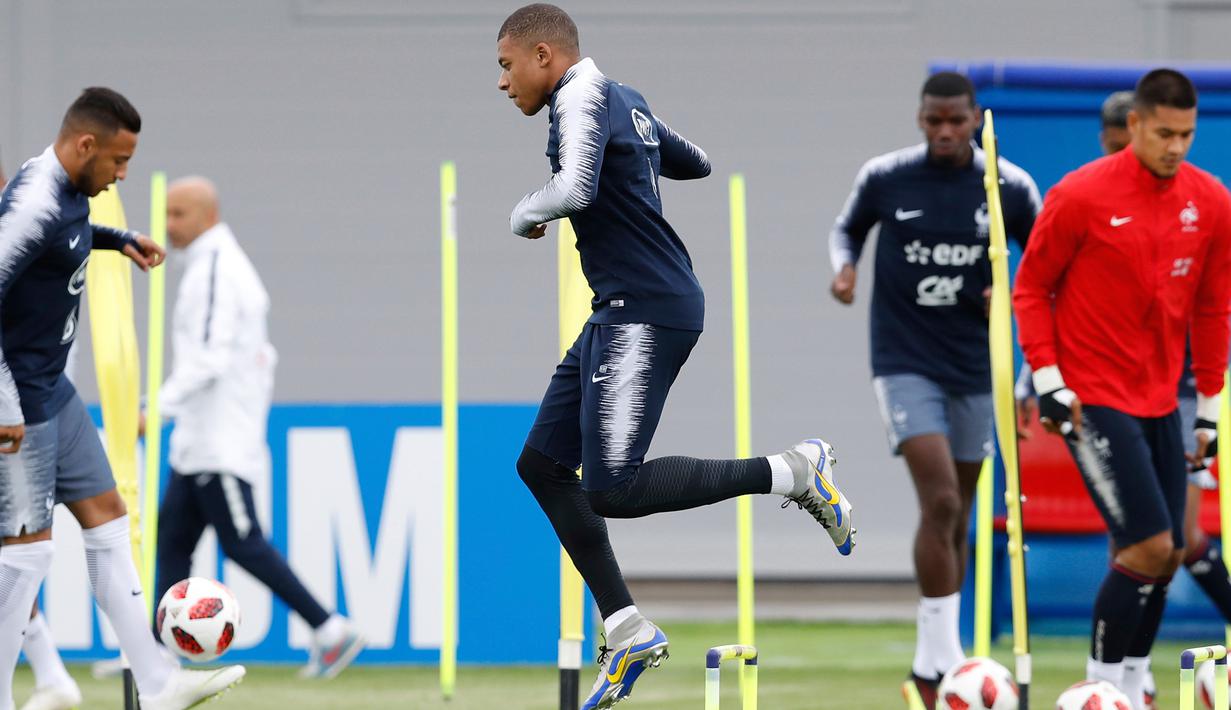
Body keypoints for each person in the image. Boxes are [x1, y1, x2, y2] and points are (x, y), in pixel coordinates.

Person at [496, 5, 855, 708]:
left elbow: (573, 187)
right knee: (539, 465)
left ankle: (793, 471)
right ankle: (626, 627)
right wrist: (639, 149)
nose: (502, 83)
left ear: (544, 54)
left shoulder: (581, 97)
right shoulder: (621, 100)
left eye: (506, 66)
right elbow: (695, 161)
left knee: (612, 488)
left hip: (645, 308)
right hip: (620, 308)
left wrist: (524, 213)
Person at [0, 88, 245, 710]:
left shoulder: (67, 190)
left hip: (54, 390)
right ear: (85, 145)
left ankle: (159, 685)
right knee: (28, 558)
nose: (122, 173)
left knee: (108, 518)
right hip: (20, 401)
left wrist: (117, 238)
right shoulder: (32, 202)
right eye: (117, 161)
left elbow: (67, 232)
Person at [1014, 68, 1231, 710]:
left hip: (1164, 401)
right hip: (1090, 397)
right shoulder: (1079, 194)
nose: (1176, 146)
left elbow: (1213, 312)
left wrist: (1211, 412)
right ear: (1133, 125)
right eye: (1164, 132)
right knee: (1148, 545)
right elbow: (1031, 289)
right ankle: (1098, 692)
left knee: (1170, 554)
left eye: (1187, 134)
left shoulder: (1212, 202)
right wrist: (1049, 382)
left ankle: (1132, 689)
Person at [828, 72, 1041, 709]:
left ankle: (933, 665)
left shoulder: (1009, 183)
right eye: (933, 121)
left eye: (956, 121)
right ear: (920, 119)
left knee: (960, 513)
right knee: (942, 500)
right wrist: (844, 269)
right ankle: (939, 664)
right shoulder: (886, 176)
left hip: (978, 366)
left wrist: (1009, 306)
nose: (945, 132)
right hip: (904, 361)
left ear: (975, 119)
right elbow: (846, 229)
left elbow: (1047, 264)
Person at [152, 177, 365, 678]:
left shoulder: (215, 270)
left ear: (205, 215)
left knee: (243, 543)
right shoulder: (214, 265)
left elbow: (208, 358)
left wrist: (155, 408)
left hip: (219, 443)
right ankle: (157, 651)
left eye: (176, 214)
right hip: (200, 442)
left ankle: (331, 628)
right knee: (172, 543)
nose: (167, 225)